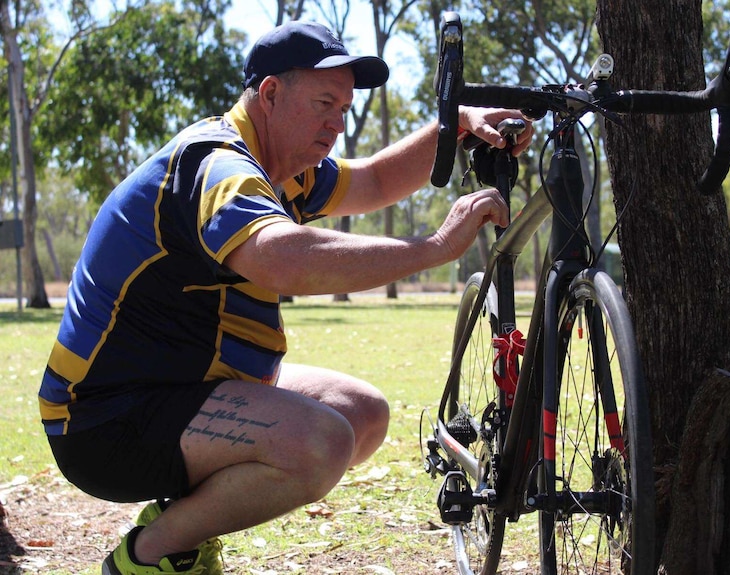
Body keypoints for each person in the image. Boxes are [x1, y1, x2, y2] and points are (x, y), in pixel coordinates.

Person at [38, 20, 532, 575]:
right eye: (325, 102)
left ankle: (179, 525)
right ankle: (147, 559)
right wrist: (436, 246)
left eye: (344, 109)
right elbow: (281, 259)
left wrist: (460, 125)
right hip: (102, 420)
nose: (337, 124)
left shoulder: (285, 172)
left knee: (361, 414)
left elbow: (372, 181)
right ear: (270, 94)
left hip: (181, 390)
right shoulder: (218, 165)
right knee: (319, 442)